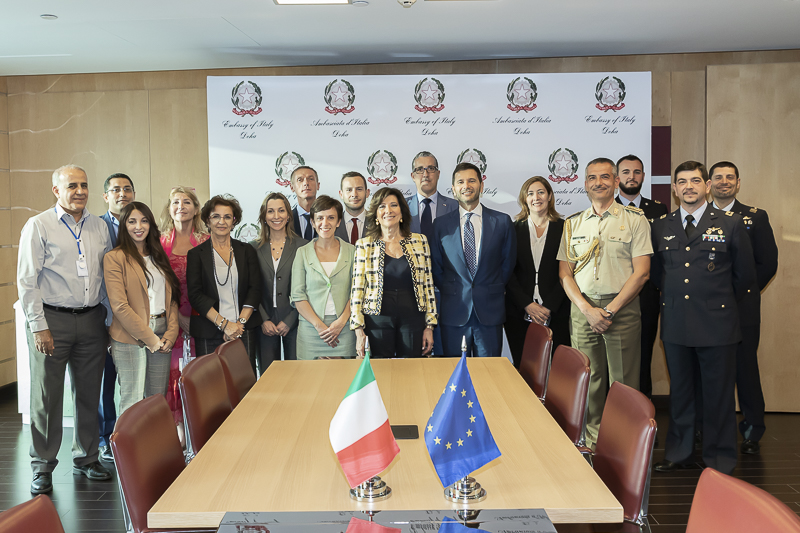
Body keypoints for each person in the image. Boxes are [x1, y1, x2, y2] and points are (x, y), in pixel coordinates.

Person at [651, 161, 755, 475]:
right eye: (682, 182)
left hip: (717, 326)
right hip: (676, 324)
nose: (689, 187)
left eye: (695, 181)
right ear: (674, 188)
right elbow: (659, 275)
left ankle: (720, 458)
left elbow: (744, 277)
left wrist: (714, 304)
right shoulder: (661, 225)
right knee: (680, 394)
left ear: (706, 186)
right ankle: (680, 453)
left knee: (718, 396)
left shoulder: (730, 223)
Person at [17, 164, 113, 494]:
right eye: (72, 185)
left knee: (89, 394)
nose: (80, 191)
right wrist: (38, 326)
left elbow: (107, 275)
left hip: (91, 320)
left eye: (84, 185)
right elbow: (27, 282)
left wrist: (110, 320)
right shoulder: (39, 226)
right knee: (47, 397)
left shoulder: (99, 226)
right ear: (56, 190)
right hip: (52, 320)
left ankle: (86, 458)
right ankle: (42, 465)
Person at [557, 157, 652, 448]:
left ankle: (624, 444)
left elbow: (642, 273)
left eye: (605, 177)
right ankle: (594, 441)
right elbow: (564, 273)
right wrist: (588, 310)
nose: (599, 182)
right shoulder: (572, 224)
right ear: (585, 184)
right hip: (583, 310)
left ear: (616, 182)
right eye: (593, 178)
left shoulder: (635, 220)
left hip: (620, 310)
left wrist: (608, 311)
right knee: (590, 379)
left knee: (623, 382)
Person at [709, 161, 778, 455]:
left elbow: (767, 263)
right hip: (705, 311)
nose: (724, 182)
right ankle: (706, 429)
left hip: (741, 309)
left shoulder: (754, 217)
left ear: (738, 183)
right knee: (708, 372)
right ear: (709, 183)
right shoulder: (698, 217)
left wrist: (739, 294)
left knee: (745, 370)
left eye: (730, 177)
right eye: (718, 177)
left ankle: (752, 429)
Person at [430, 162, 515, 358]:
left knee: (488, 374)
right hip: (454, 312)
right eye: (460, 182)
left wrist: (489, 286)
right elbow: (436, 266)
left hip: (489, 312)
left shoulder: (502, 222)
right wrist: (453, 289)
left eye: (471, 180)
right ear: (453, 189)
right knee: (455, 374)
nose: (466, 185)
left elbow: (507, 263)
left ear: (481, 186)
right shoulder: (441, 225)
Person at [105, 202, 180, 415]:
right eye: (132, 221)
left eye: (144, 220)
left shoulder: (158, 256)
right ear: (123, 225)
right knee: (133, 401)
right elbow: (120, 306)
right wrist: (151, 339)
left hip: (162, 332)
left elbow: (172, 296)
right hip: (130, 336)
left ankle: (153, 449)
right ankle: (128, 449)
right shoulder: (115, 258)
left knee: (157, 400)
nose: (139, 226)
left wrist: (171, 333)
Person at [350, 187, 437, 359]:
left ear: (402, 212)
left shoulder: (420, 241)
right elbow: (357, 290)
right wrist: (359, 331)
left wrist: (430, 325)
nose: (388, 211)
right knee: (380, 372)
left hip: (413, 319)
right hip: (377, 320)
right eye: (382, 206)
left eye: (393, 205)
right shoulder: (364, 245)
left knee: (412, 371)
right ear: (375, 215)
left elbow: (428, 286)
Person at [615, 155, 669, 398]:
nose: (631, 177)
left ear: (643, 177)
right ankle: (613, 413)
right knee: (614, 358)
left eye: (637, 172)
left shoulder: (659, 210)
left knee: (644, 355)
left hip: (647, 295)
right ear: (617, 178)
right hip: (614, 296)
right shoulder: (606, 208)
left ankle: (643, 418)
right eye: (626, 172)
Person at [187, 195, 262, 368]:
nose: (222, 221)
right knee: (210, 387)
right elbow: (195, 295)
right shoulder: (196, 255)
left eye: (227, 217)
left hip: (242, 329)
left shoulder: (246, 250)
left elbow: (255, 289)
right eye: (216, 216)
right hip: (209, 330)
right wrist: (224, 324)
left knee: (244, 386)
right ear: (207, 220)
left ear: (234, 222)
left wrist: (238, 325)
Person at [160, 186, 208, 447]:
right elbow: (155, 284)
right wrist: (177, 316)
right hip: (170, 318)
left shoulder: (205, 240)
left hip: (201, 317)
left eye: (187, 201)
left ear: (196, 208)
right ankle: (178, 428)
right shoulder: (159, 241)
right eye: (175, 202)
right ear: (170, 209)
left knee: (197, 372)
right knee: (172, 375)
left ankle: (198, 427)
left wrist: (197, 317)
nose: (181, 206)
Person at [505, 177, 569, 368]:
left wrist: (548, 306)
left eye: (541, 192)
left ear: (549, 196)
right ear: (524, 199)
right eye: (530, 193)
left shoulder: (565, 228)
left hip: (557, 312)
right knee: (525, 369)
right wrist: (527, 304)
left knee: (560, 370)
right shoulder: (513, 229)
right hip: (519, 312)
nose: (536, 197)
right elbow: (507, 271)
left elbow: (569, 272)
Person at [97, 172, 135, 463]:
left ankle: (132, 434)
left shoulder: (140, 226)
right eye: (116, 190)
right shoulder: (95, 228)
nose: (122, 194)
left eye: (127, 189)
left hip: (136, 319)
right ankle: (106, 438)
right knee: (105, 381)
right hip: (103, 316)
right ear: (106, 196)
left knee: (133, 381)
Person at [405, 151, 458, 355]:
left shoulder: (454, 206)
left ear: (438, 173)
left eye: (431, 168)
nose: (425, 173)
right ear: (413, 175)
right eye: (420, 169)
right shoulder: (399, 208)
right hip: (411, 293)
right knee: (414, 354)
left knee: (446, 352)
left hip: (447, 293)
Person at [291, 195, 356, 359]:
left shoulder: (353, 251)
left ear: (339, 221)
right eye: (319, 218)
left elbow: (356, 293)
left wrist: (340, 324)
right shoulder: (302, 253)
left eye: (331, 218)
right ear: (312, 221)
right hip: (311, 332)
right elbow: (298, 296)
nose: (325, 223)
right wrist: (319, 326)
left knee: (345, 381)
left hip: (345, 329)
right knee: (310, 382)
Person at [250, 192, 307, 371]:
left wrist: (290, 320)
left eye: (281, 211)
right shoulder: (252, 248)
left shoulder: (303, 246)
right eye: (271, 211)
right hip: (264, 321)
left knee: (298, 376)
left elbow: (308, 288)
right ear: (263, 216)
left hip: (295, 319)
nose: (276, 216)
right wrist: (263, 319)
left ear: (289, 215)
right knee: (268, 376)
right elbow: (250, 288)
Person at [335, 171, 370, 244]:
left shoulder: (377, 222)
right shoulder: (332, 223)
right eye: (349, 190)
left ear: (367, 193)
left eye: (359, 189)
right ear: (341, 194)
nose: (354, 194)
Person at [290, 166, 320, 240]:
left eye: (311, 179)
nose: (306, 183)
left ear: (318, 186)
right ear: (292, 187)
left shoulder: (329, 218)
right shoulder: (286, 219)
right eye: (300, 180)